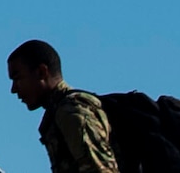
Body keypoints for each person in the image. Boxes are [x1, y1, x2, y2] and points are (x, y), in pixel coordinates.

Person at [7, 40, 120, 173]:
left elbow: (100, 169)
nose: (13, 89)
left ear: (42, 72)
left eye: (18, 78)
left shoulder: (71, 111)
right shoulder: (60, 111)